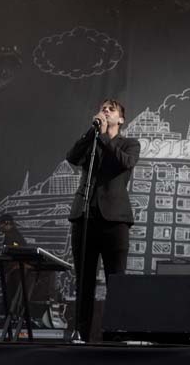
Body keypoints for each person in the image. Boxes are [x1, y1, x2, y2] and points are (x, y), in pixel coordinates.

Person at [66, 99, 140, 342]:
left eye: (111, 109)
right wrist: (92, 132)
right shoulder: (92, 142)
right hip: (85, 217)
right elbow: (72, 157)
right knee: (83, 283)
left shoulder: (129, 144)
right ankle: (80, 336)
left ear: (121, 119)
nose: (105, 111)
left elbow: (125, 163)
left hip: (114, 222)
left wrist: (106, 136)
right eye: (103, 108)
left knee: (115, 282)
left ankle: (114, 339)